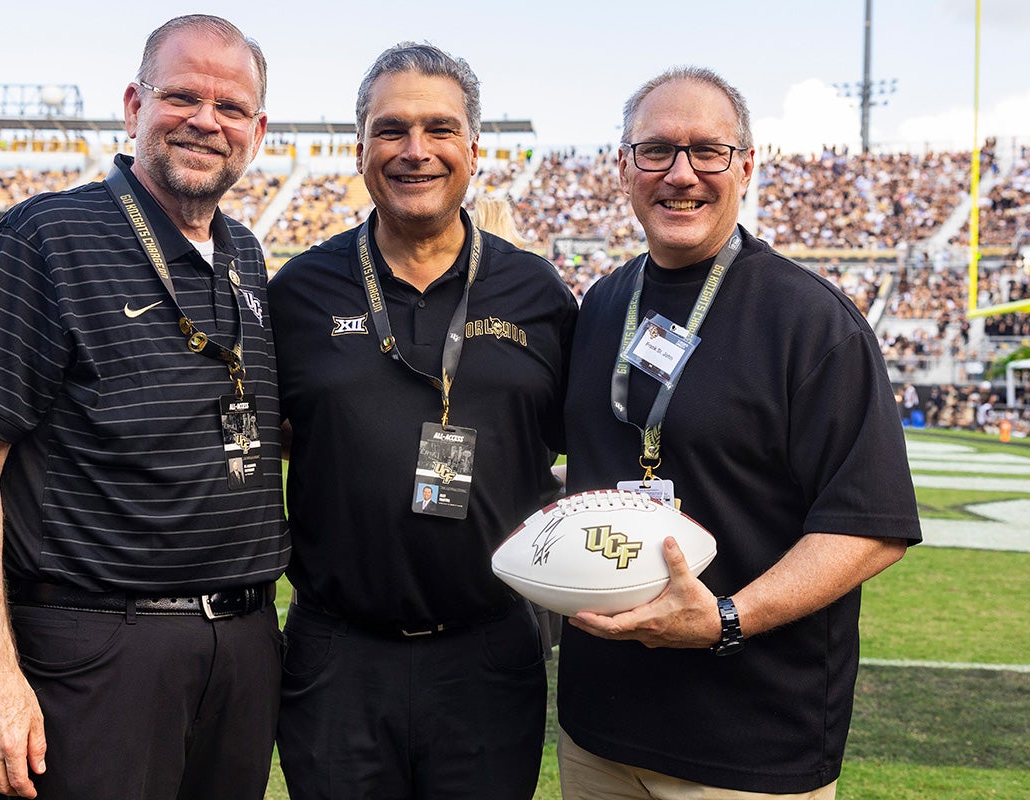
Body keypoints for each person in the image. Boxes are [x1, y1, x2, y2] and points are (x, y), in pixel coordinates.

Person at [0, 15, 287, 800]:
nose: (205, 121)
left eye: (231, 108)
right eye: (182, 95)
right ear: (134, 105)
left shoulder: (246, 255)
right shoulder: (48, 234)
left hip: (243, 645)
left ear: (256, 130)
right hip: (99, 648)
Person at [557, 66, 922, 798]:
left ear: (747, 166)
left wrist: (726, 618)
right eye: (656, 150)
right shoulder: (602, 302)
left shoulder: (812, 321)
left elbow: (870, 524)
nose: (681, 174)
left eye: (708, 151)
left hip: (749, 744)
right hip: (598, 728)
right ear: (623, 167)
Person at [267, 42, 577, 799]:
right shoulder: (299, 292)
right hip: (337, 655)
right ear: (360, 149)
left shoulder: (538, 293)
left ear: (475, 150)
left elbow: (589, 450)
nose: (416, 151)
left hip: (489, 652)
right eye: (390, 129)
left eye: (439, 129)